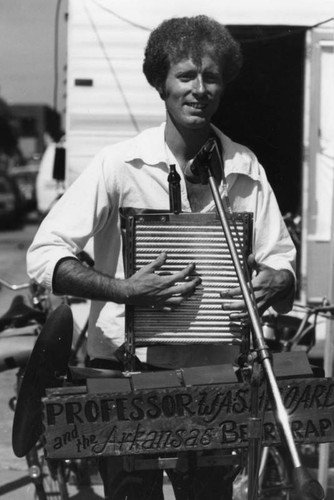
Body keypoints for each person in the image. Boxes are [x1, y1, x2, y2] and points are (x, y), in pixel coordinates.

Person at [27, 15, 296, 500]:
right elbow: (45, 256)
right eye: (186, 76)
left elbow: (282, 266)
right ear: (160, 83)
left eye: (211, 76)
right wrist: (123, 290)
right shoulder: (119, 165)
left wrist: (276, 282)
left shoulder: (243, 168)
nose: (200, 89)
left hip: (213, 380)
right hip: (124, 374)